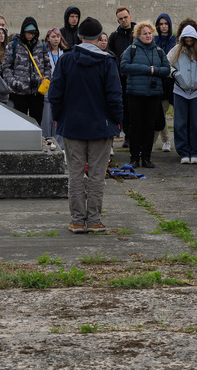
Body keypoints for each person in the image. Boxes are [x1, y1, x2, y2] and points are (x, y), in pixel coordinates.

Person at [49, 17, 123, 234]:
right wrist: (117, 122)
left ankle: (76, 220)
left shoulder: (66, 60)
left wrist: (60, 117)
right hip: (101, 126)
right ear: (100, 37)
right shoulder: (107, 62)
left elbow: (55, 94)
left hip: (72, 125)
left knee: (75, 174)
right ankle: (93, 220)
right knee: (97, 175)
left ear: (80, 36)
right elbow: (115, 97)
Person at [120, 21, 170, 168]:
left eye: (150, 33)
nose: (148, 36)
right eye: (145, 33)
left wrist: (155, 70)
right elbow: (124, 66)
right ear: (138, 35)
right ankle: (134, 158)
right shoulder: (131, 50)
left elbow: (166, 70)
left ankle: (147, 157)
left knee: (149, 127)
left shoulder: (159, 51)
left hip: (153, 95)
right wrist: (149, 69)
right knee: (136, 127)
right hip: (135, 95)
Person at [168, 24, 197, 164]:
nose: (189, 43)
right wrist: (175, 74)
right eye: (187, 40)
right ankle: (183, 151)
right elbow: (167, 65)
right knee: (180, 123)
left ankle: (195, 151)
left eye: (192, 40)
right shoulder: (175, 50)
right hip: (180, 91)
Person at [2, 17, 51, 124]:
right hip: (19, 92)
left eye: (33, 33)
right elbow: (6, 67)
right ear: (23, 31)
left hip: (37, 93)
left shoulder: (41, 46)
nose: (31, 35)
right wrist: (13, 83)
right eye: (28, 32)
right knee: (20, 123)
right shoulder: (13, 46)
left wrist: (45, 80)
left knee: (37, 123)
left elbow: (47, 66)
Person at [109, 7, 136, 147]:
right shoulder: (114, 36)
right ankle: (127, 135)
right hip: (121, 78)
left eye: (125, 17)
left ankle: (135, 136)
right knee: (124, 108)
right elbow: (111, 54)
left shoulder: (138, 32)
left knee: (135, 109)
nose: (124, 20)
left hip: (136, 77)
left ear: (130, 17)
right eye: (121, 18)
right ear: (118, 20)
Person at [154, 13, 176, 152]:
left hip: (172, 82)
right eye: (161, 24)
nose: (163, 26)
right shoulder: (154, 40)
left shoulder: (174, 41)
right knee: (160, 113)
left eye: (166, 24)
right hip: (159, 82)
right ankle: (166, 140)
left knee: (174, 113)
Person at [40, 28, 67, 139]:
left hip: (60, 90)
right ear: (48, 39)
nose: (56, 39)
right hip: (47, 89)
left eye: (58, 36)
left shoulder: (64, 53)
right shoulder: (44, 53)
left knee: (59, 119)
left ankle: (60, 144)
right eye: (53, 37)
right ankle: (45, 140)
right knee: (46, 119)